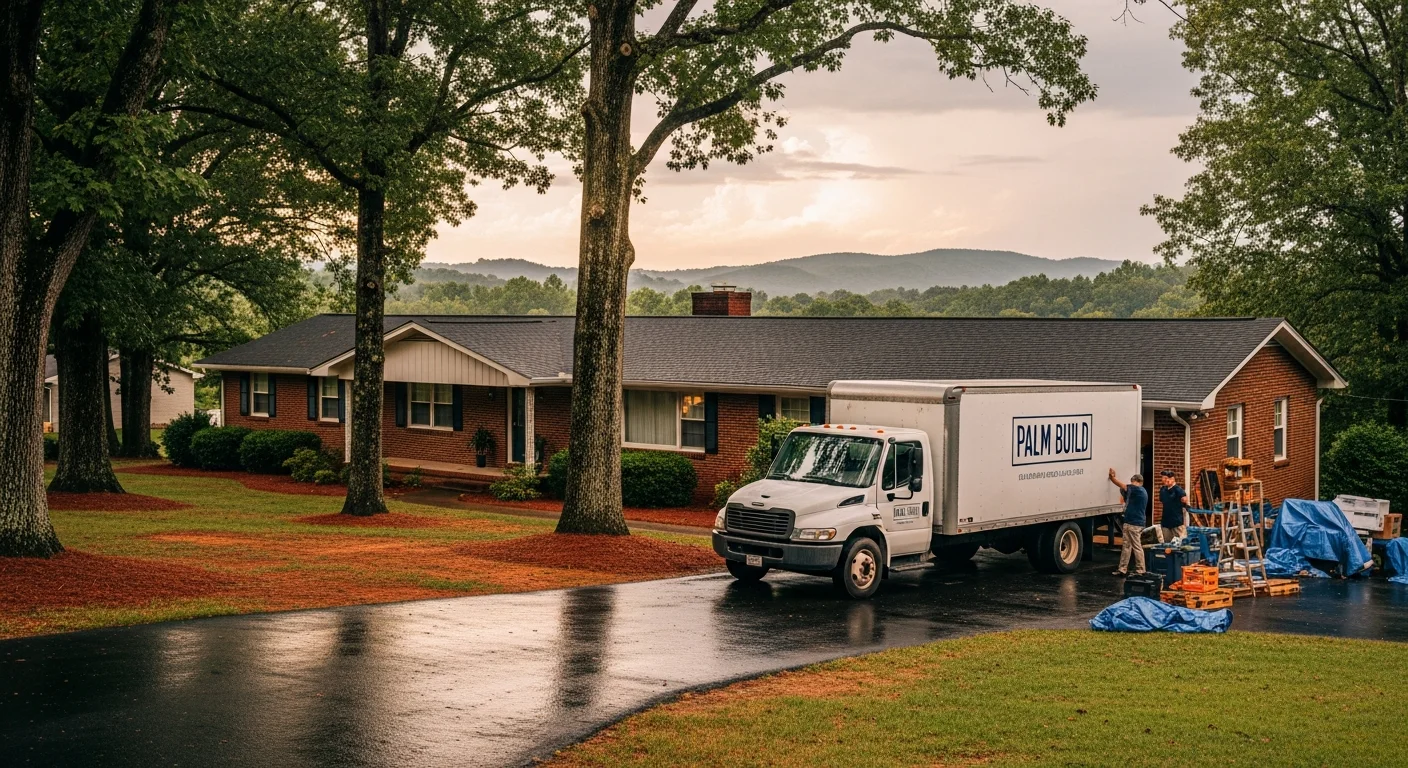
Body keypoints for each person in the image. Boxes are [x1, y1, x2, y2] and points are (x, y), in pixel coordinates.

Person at [1107, 468, 1148, 577]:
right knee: (1127, 546)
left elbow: (1122, 486)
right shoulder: (1142, 492)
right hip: (1131, 522)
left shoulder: (1137, 490)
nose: (1131, 484)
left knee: (1136, 546)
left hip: (1134, 523)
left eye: (1133, 482)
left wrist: (1112, 478)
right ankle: (1122, 569)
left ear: (1137, 482)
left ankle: (1140, 570)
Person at [1158, 469, 1189, 542]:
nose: (1164, 480)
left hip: (1177, 522)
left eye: (1166, 478)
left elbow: (1185, 500)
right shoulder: (1163, 490)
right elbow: (1163, 500)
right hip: (1166, 522)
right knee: (1167, 545)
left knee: (1181, 543)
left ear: (1172, 479)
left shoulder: (1178, 490)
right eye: (1163, 478)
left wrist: (1185, 502)